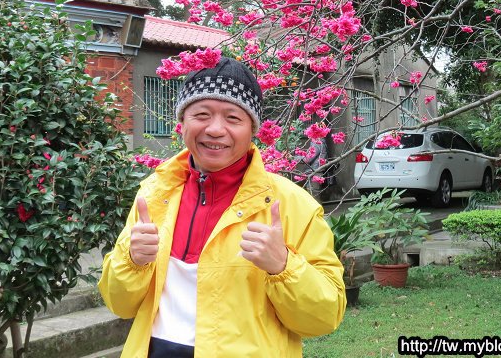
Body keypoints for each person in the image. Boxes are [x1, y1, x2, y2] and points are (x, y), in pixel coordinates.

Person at [99, 57, 346, 357]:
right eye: (202, 114)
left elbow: (324, 317)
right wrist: (133, 260)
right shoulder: (154, 194)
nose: (215, 130)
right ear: (182, 122)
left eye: (233, 118)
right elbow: (119, 304)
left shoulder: (292, 205)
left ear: (252, 129)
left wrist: (283, 265)